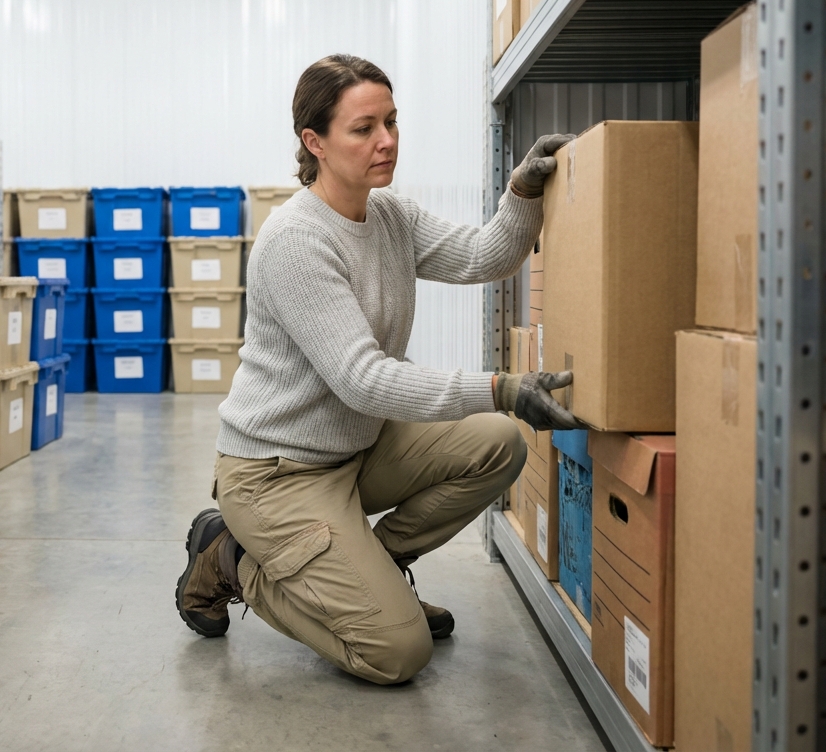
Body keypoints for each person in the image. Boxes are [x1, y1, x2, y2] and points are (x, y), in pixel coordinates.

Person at [174, 54, 580, 685]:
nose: (387, 140)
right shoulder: (296, 241)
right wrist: (499, 387)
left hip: (357, 447)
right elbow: (363, 378)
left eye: (391, 121)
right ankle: (232, 558)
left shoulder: (389, 215)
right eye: (363, 128)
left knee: (498, 444)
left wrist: (523, 193)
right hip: (278, 474)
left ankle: (375, 576)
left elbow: (484, 255)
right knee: (397, 653)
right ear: (315, 142)